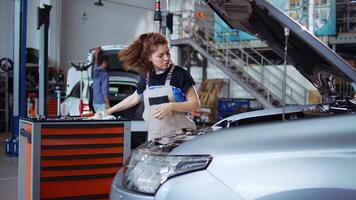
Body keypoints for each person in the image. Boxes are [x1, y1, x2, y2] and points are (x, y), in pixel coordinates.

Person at [106, 32, 201, 140]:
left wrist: (171, 106)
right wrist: (108, 111)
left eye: (168, 53)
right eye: (160, 55)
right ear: (149, 57)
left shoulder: (179, 74)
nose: (166, 58)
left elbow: (195, 104)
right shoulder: (146, 77)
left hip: (181, 138)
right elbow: (135, 97)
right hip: (155, 138)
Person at [92, 47, 110, 112]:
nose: (109, 63)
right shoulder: (104, 74)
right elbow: (105, 91)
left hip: (95, 103)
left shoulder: (95, 70)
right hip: (102, 103)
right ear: (105, 62)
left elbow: (96, 63)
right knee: (105, 121)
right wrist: (108, 106)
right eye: (108, 62)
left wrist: (96, 53)